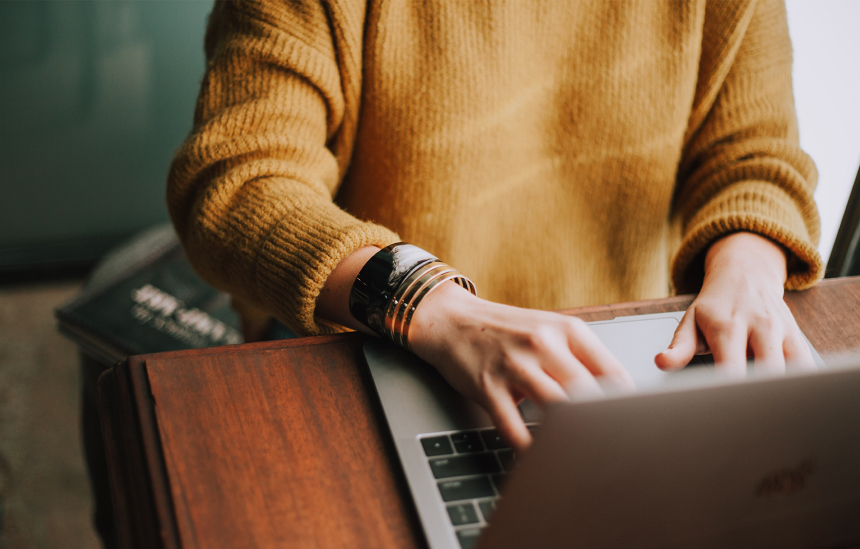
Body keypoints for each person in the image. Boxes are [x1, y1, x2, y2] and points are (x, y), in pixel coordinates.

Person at [168, 0, 823, 452]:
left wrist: (750, 264)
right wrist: (427, 303)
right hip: (374, 343)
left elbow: (755, 156)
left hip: (617, 365)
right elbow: (237, 181)